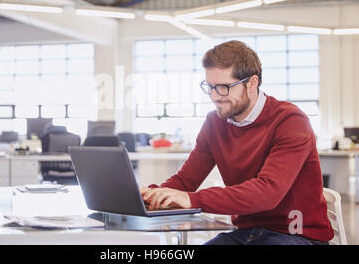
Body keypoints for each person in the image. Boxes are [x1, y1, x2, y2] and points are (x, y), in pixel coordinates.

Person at [140, 40, 333, 245]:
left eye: (223, 87)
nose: (214, 96)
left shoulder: (290, 120)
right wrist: (152, 195)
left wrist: (191, 199)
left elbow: (268, 192)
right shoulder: (214, 122)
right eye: (210, 87)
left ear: (252, 83)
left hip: (297, 235)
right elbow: (186, 180)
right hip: (246, 233)